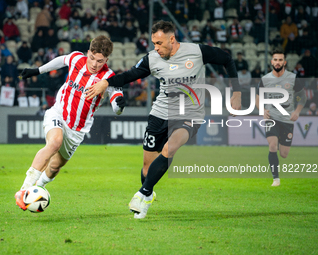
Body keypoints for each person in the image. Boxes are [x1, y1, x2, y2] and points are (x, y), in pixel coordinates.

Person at [85, 21, 241, 219]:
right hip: (160, 113)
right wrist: (106, 82)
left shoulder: (197, 52)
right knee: (147, 168)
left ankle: (142, 194)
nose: (156, 48)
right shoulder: (152, 58)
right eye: (153, 43)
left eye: (159, 43)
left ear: (172, 39)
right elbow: (129, 76)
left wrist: (236, 92)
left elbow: (227, 59)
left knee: (170, 148)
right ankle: (148, 194)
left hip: (189, 115)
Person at [14, 35, 126, 211]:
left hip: (78, 130)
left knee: (55, 166)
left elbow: (116, 100)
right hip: (58, 113)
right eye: (92, 58)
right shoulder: (76, 58)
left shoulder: (109, 77)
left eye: (100, 61)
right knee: (55, 142)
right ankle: (23, 191)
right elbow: (60, 61)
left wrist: (119, 105)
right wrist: (38, 70)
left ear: (106, 60)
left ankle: (39, 186)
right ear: (88, 52)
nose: (95, 64)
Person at [255, 49, 307, 187]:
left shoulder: (293, 78)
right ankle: (276, 179)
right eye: (275, 60)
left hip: (287, 120)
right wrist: (262, 110)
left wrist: (297, 111)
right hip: (271, 117)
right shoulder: (265, 79)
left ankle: (279, 145)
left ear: (284, 62)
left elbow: (303, 97)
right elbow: (258, 98)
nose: (277, 63)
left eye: (280, 60)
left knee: (284, 154)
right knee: (272, 145)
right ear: (272, 62)